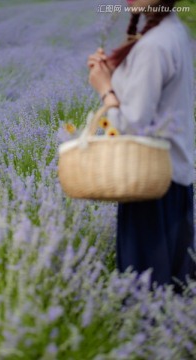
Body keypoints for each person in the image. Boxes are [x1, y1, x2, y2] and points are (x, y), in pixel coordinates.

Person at [87, 0, 196, 294]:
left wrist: (105, 88)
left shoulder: (153, 45)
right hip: (176, 179)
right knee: (177, 291)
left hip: (150, 185)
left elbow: (129, 127)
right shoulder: (175, 31)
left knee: (144, 297)